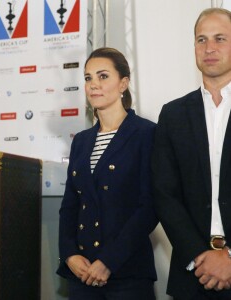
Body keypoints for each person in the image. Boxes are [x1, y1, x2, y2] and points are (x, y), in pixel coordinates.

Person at [56, 47, 158, 299]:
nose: (93, 85)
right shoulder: (81, 140)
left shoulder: (147, 134)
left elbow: (150, 207)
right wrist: (69, 255)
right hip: (81, 274)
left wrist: (109, 261)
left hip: (127, 274)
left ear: (123, 83)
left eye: (103, 76)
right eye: (88, 77)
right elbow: (70, 205)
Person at [152, 7, 231, 300]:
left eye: (220, 38)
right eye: (201, 39)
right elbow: (164, 193)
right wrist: (201, 254)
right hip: (192, 274)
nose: (209, 48)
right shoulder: (173, 114)